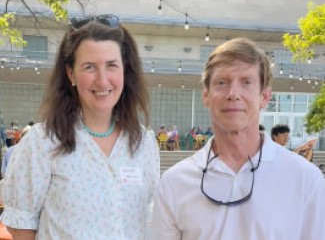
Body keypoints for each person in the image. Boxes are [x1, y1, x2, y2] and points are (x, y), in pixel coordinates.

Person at [2, 14, 160, 239]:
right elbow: (21, 224)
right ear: (70, 74)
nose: (103, 80)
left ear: (125, 70)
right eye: (89, 67)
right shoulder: (43, 142)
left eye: (112, 65)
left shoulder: (143, 144)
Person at [152, 38, 325, 239]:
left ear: (265, 96)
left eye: (246, 82)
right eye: (222, 83)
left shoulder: (305, 179)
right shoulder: (175, 182)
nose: (233, 94)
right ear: (206, 95)